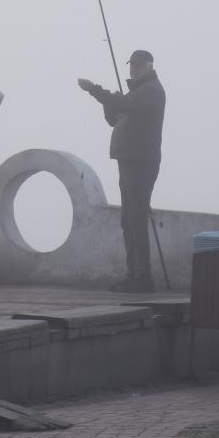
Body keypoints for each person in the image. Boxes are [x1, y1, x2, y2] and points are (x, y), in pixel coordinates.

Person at [78, 49, 165, 293]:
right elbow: (115, 118)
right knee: (128, 220)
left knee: (136, 219)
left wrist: (94, 89)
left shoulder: (151, 91)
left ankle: (143, 277)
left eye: (138, 64)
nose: (133, 68)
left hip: (140, 163)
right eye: (132, 64)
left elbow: (123, 105)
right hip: (128, 160)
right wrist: (109, 104)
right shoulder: (138, 93)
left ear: (150, 65)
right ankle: (133, 274)